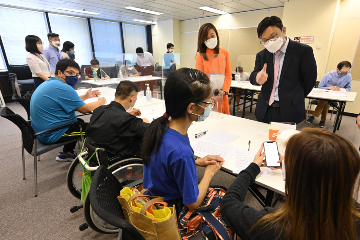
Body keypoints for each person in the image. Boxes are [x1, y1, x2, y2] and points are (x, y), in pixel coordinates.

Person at [221, 128, 360, 240]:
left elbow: (228, 203)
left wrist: (252, 167)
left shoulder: (274, 227)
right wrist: (295, 168)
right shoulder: (355, 215)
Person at [142, 68, 224, 213]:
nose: (209, 106)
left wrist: (196, 162)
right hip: (171, 210)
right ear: (191, 107)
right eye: (207, 103)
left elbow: (166, 163)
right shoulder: (182, 152)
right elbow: (192, 204)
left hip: (154, 197)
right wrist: (209, 173)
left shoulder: (160, 127)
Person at [30, 59, 106, 161]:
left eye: (77, 74)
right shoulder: (63, 87)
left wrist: (86, 96)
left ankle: (67, 153)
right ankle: (97, 159)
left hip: (41, 130)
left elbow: (65, 100)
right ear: (60, 72)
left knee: (79, 122)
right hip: (52, 133)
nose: (74, 76)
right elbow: (85, 109)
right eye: (71, 72)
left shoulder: (52, 83)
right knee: (96, 129)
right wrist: (101, 101)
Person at [250, 16, 317, 124]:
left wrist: (295, 97)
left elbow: (310, 80)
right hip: (265, 109)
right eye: (265, 40)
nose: (270, 42)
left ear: (283, 30)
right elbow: (253, 76)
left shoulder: (303, 51)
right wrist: (257, 78)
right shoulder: (262, 55)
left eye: (273, 36)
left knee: (286, 140)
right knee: (262, 138)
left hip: (290, 109)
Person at [86, 81, 149, 158]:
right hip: (117, 156)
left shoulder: (99, 109)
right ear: (132, 98)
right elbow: (149, 130)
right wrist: (144, 122)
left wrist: (127, 113)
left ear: (115, 94)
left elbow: (112, 119)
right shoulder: (125, 119)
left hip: (97, 154)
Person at [195, 23, 232, 115]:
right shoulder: (200, 55)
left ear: (216, 35)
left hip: (222, 95)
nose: (211, 39)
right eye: (207, 38)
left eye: (212, 36)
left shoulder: (224, 53)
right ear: (202, 40)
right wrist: (210, 94)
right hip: (208, 97)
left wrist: (224, 92)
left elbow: (228, 74)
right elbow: (200, 79)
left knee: (224, 122)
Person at [307, 61, 352, 128]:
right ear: (337, 69)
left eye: (346, 72)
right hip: (322, 96)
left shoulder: (348, 76)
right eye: (343, 72)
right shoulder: (328, 75)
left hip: (335, 97)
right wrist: (329, 88)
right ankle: (323, 121)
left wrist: (343, 89)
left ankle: (313, 116)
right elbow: (320, 87)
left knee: (327, 102)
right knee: (326, 102)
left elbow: (348, 88)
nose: (345, 74)